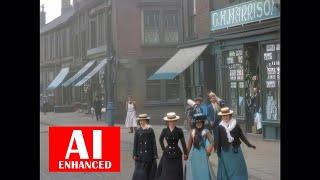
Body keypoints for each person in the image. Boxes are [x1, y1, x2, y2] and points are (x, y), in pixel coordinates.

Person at [215, 107, 256, 180]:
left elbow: (241, 136)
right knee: (229, 170)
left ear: (230, 115)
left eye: (227, 115)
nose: (225, 117)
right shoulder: (220, 127)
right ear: (222, 116)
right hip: (226, 151)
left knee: (238, 168)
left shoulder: (235, 124)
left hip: (236, 150)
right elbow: (218, 140)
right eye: (223, 116)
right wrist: (218, 152)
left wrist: (249, 144)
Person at [155, 112, 188, 180]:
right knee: (166, 171)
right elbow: (160, 139)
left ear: (175, 121)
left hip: (177, 153)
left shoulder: (179, 130)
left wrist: (185, 153)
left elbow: (183, 142)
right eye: (170, 121)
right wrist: (163, 149)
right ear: (168, 122)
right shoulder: (165, 130)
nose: (172, 123)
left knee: (176, 172)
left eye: (173, 121)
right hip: (167, 153)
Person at [184, 113, 216, 180]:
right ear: (195, 123)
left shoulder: (206, 131)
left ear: (202, 122)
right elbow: (189, 145)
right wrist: (186, 154)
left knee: (204, 170)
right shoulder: (192, 132)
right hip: (195, 154)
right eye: (197, 122)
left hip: (203, 153)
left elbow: (212, 141)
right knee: (195, 171)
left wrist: (209, 150)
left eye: (200, 122)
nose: (198, 124)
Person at [132, 114, 158, 180]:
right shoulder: (137, 131)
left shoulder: (150, 130)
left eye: (143, 120)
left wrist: (155, 154)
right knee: (139, 173)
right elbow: (135, 143)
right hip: (139, 155)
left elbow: (153, 143)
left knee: (148, 172)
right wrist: (134, 154)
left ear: (146, 121)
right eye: (140, 120)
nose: (141, 122)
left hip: (148, 155)